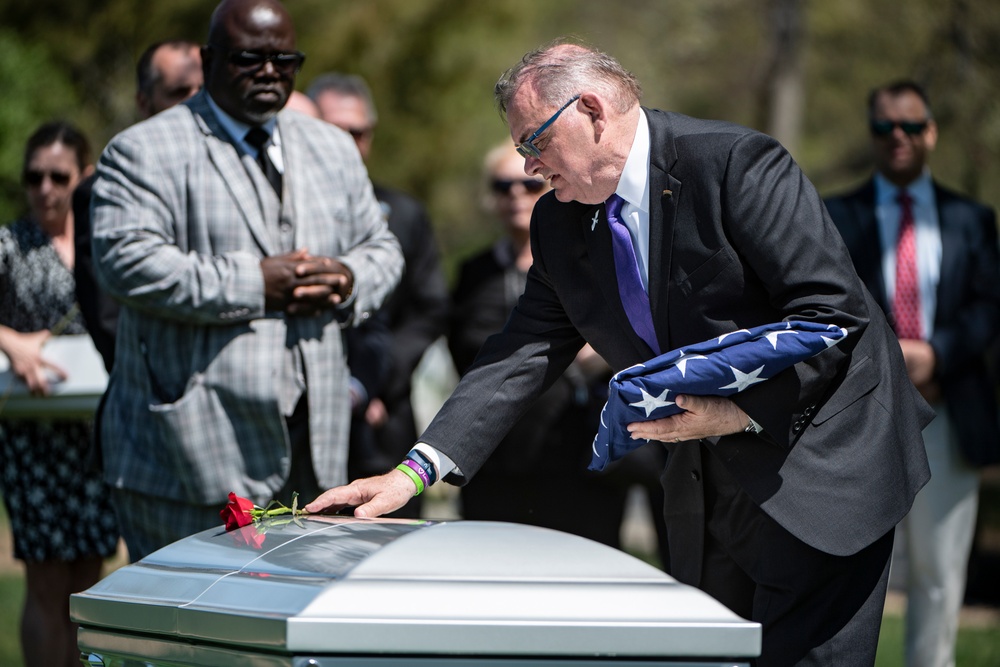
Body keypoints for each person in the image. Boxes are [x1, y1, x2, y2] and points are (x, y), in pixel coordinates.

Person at [307, 41, 935, 666]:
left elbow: (833, 319)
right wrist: (410, 475)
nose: (529, 167)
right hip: (707, 484)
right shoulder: (558, 222)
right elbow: (518, 353)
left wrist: (737, 413)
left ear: (591, 110)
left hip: (824, 466)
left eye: (534, 142)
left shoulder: (737, 165)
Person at [90, 0, 403, 562]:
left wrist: (346, 278)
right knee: (191, 636)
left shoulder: (329, 146)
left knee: (295, 631)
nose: (268, 72)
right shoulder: (145, 149)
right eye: (248, 59)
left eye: (285, 60)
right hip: (188, 455)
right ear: (209, 60)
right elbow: (125, 260)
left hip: (317, 447)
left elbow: (383, 250)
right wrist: (255, 284)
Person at [824, 80, 1000, 667]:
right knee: (851, 568)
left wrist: (936, 353)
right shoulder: (835, 215)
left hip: (949, 411)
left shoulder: (971, 219)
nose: (895, 137)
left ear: (930, 132)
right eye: (882, 128)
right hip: (863, 413)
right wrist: (891, 355)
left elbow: (988, 306)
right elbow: (825, 306)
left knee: (939, 571)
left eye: (908, 126)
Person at [450, 143, 635, 547]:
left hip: (578, 451)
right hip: (496, 455)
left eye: (527, 184)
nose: (516, 195)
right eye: (503, 186)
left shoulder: (594, 256)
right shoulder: (473, 272)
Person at [0, 122, 119, 667]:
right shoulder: (9, 244)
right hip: (33, 434)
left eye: (58, 176)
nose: (44, 188)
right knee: (47, 585)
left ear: (84, 176)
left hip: (98, 433)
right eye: (33, 177)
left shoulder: (107, 243)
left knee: (85, 586)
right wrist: (11, 344)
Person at [307, 72, 449, 513]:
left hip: (385, 415)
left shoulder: (403, 215)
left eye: (358, 132)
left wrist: (374, 385)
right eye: (333, 132)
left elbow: (428, 308)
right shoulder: (279, 214)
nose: (347, 144)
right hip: (301, 417)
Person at [74, 39, 204, 372]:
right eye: (178, 92)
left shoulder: (239, 178)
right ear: (144, 103)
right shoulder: (105, 189)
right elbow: (108, 320)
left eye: (202, 90)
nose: (195, 102)